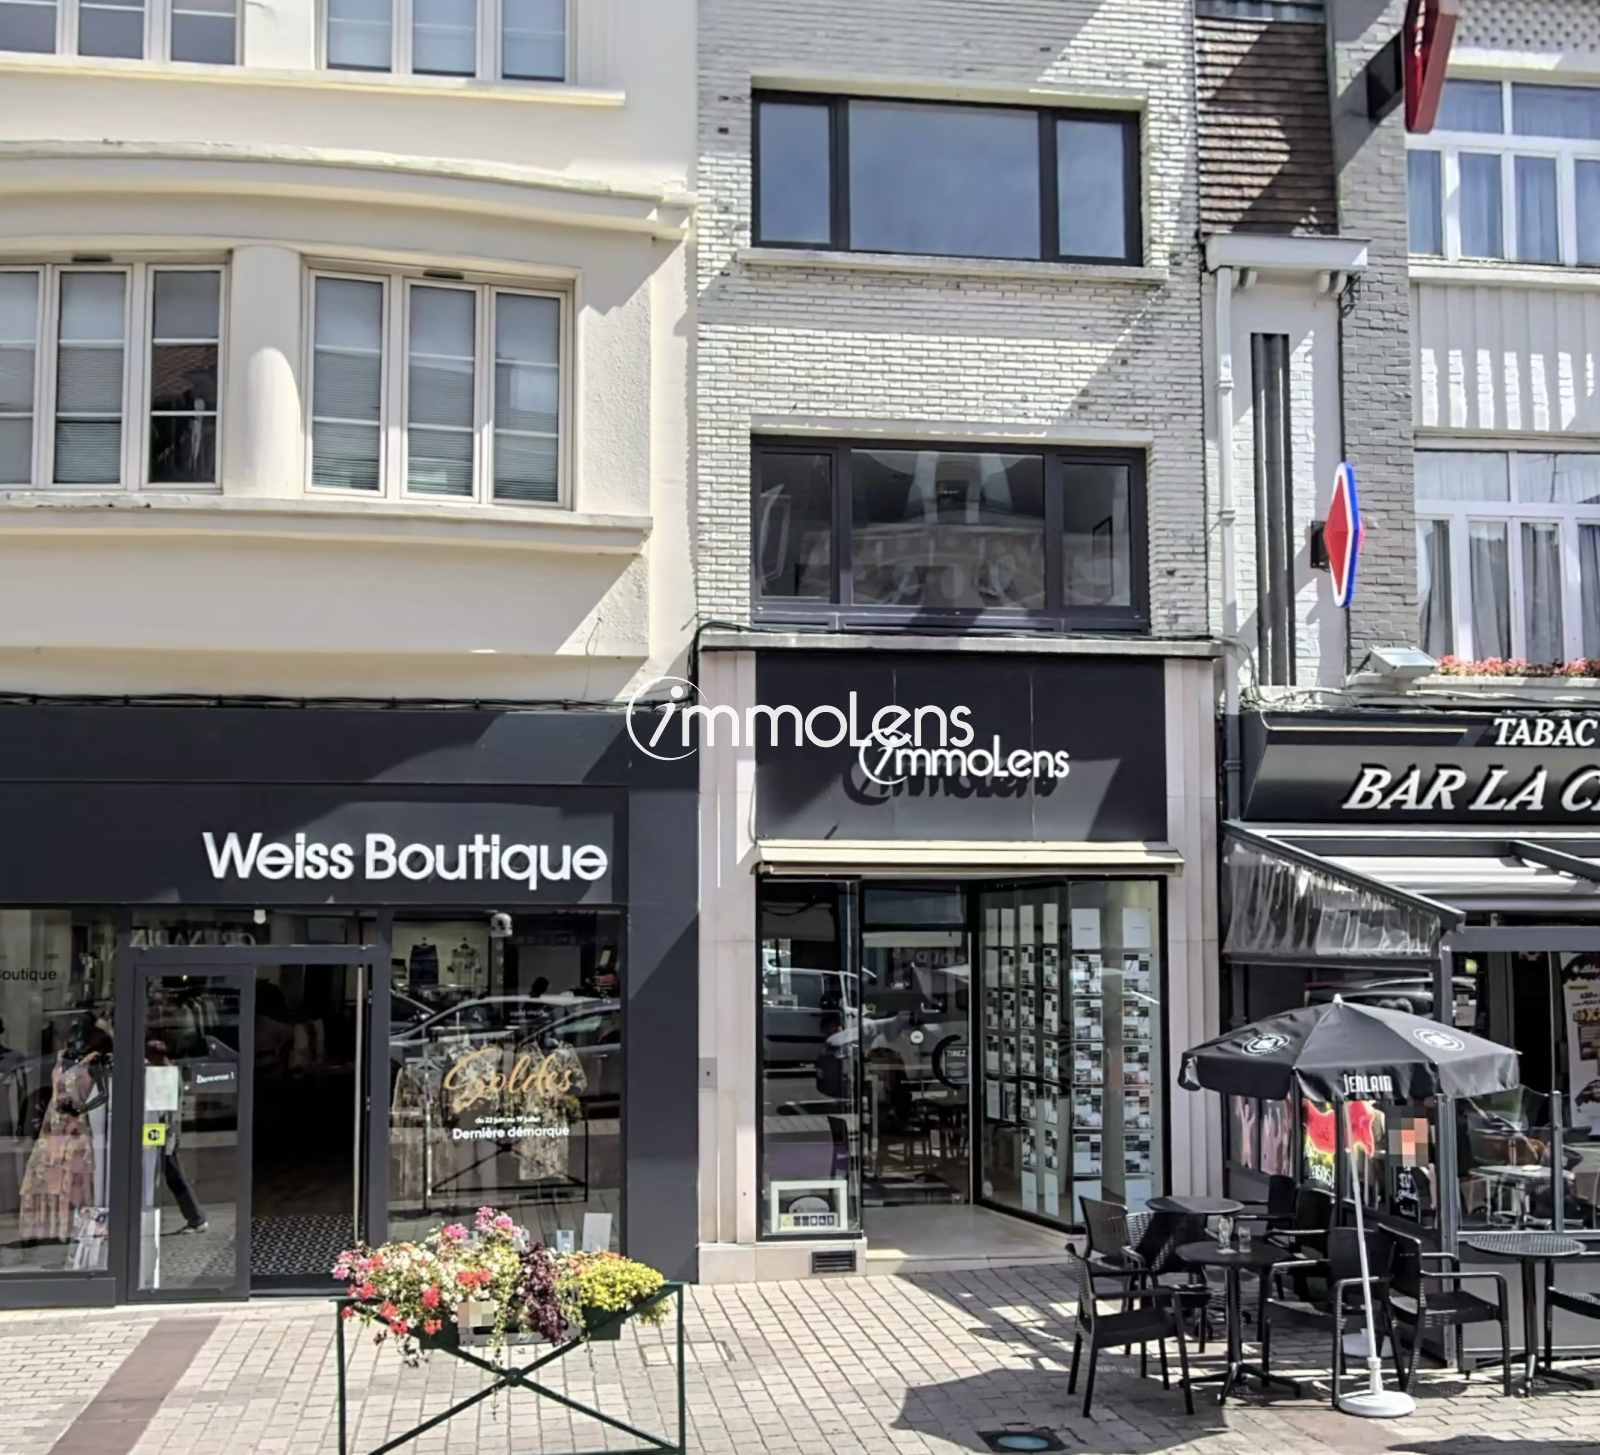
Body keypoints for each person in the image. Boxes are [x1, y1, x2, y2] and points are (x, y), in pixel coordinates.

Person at [146, 1038, 207, 1233]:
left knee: (172, 1175)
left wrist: (166, 1137)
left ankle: (196, 1218)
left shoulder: (165, 1074)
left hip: (162, 1130)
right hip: (160, 1129)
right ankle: (195, 1218)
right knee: (164, 1173)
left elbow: (165, 1110)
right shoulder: (164, 1071)